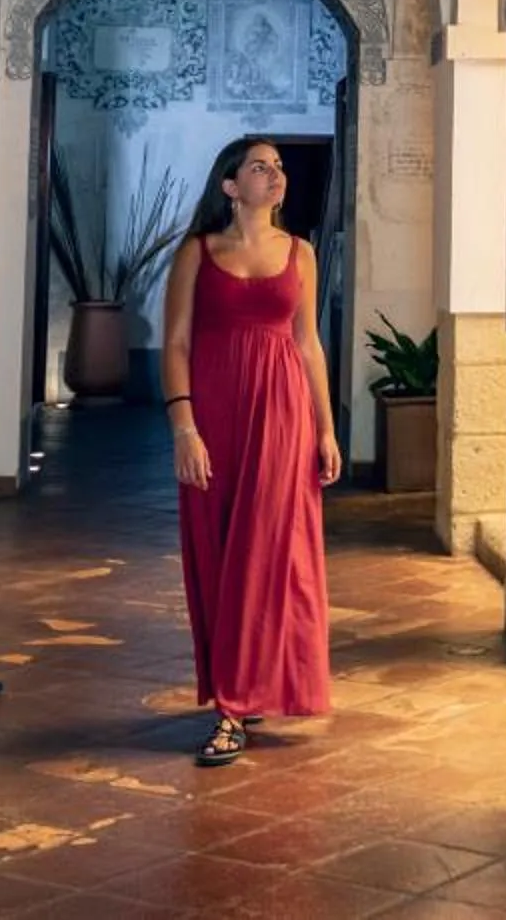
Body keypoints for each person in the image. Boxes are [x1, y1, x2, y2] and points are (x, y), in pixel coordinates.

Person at [162, 139, 341, 764]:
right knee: (218, 551)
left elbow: (308, 343)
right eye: (260, 167)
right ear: (231, 186)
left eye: (279, 167)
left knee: (270, 551)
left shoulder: (301, 253)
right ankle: (237, 683)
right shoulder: (197, 252)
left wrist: (325, 428)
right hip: (214, 415)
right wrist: (184, 428)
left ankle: (235, 707)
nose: (276, 175)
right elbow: (176, 344)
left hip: (283, 413)